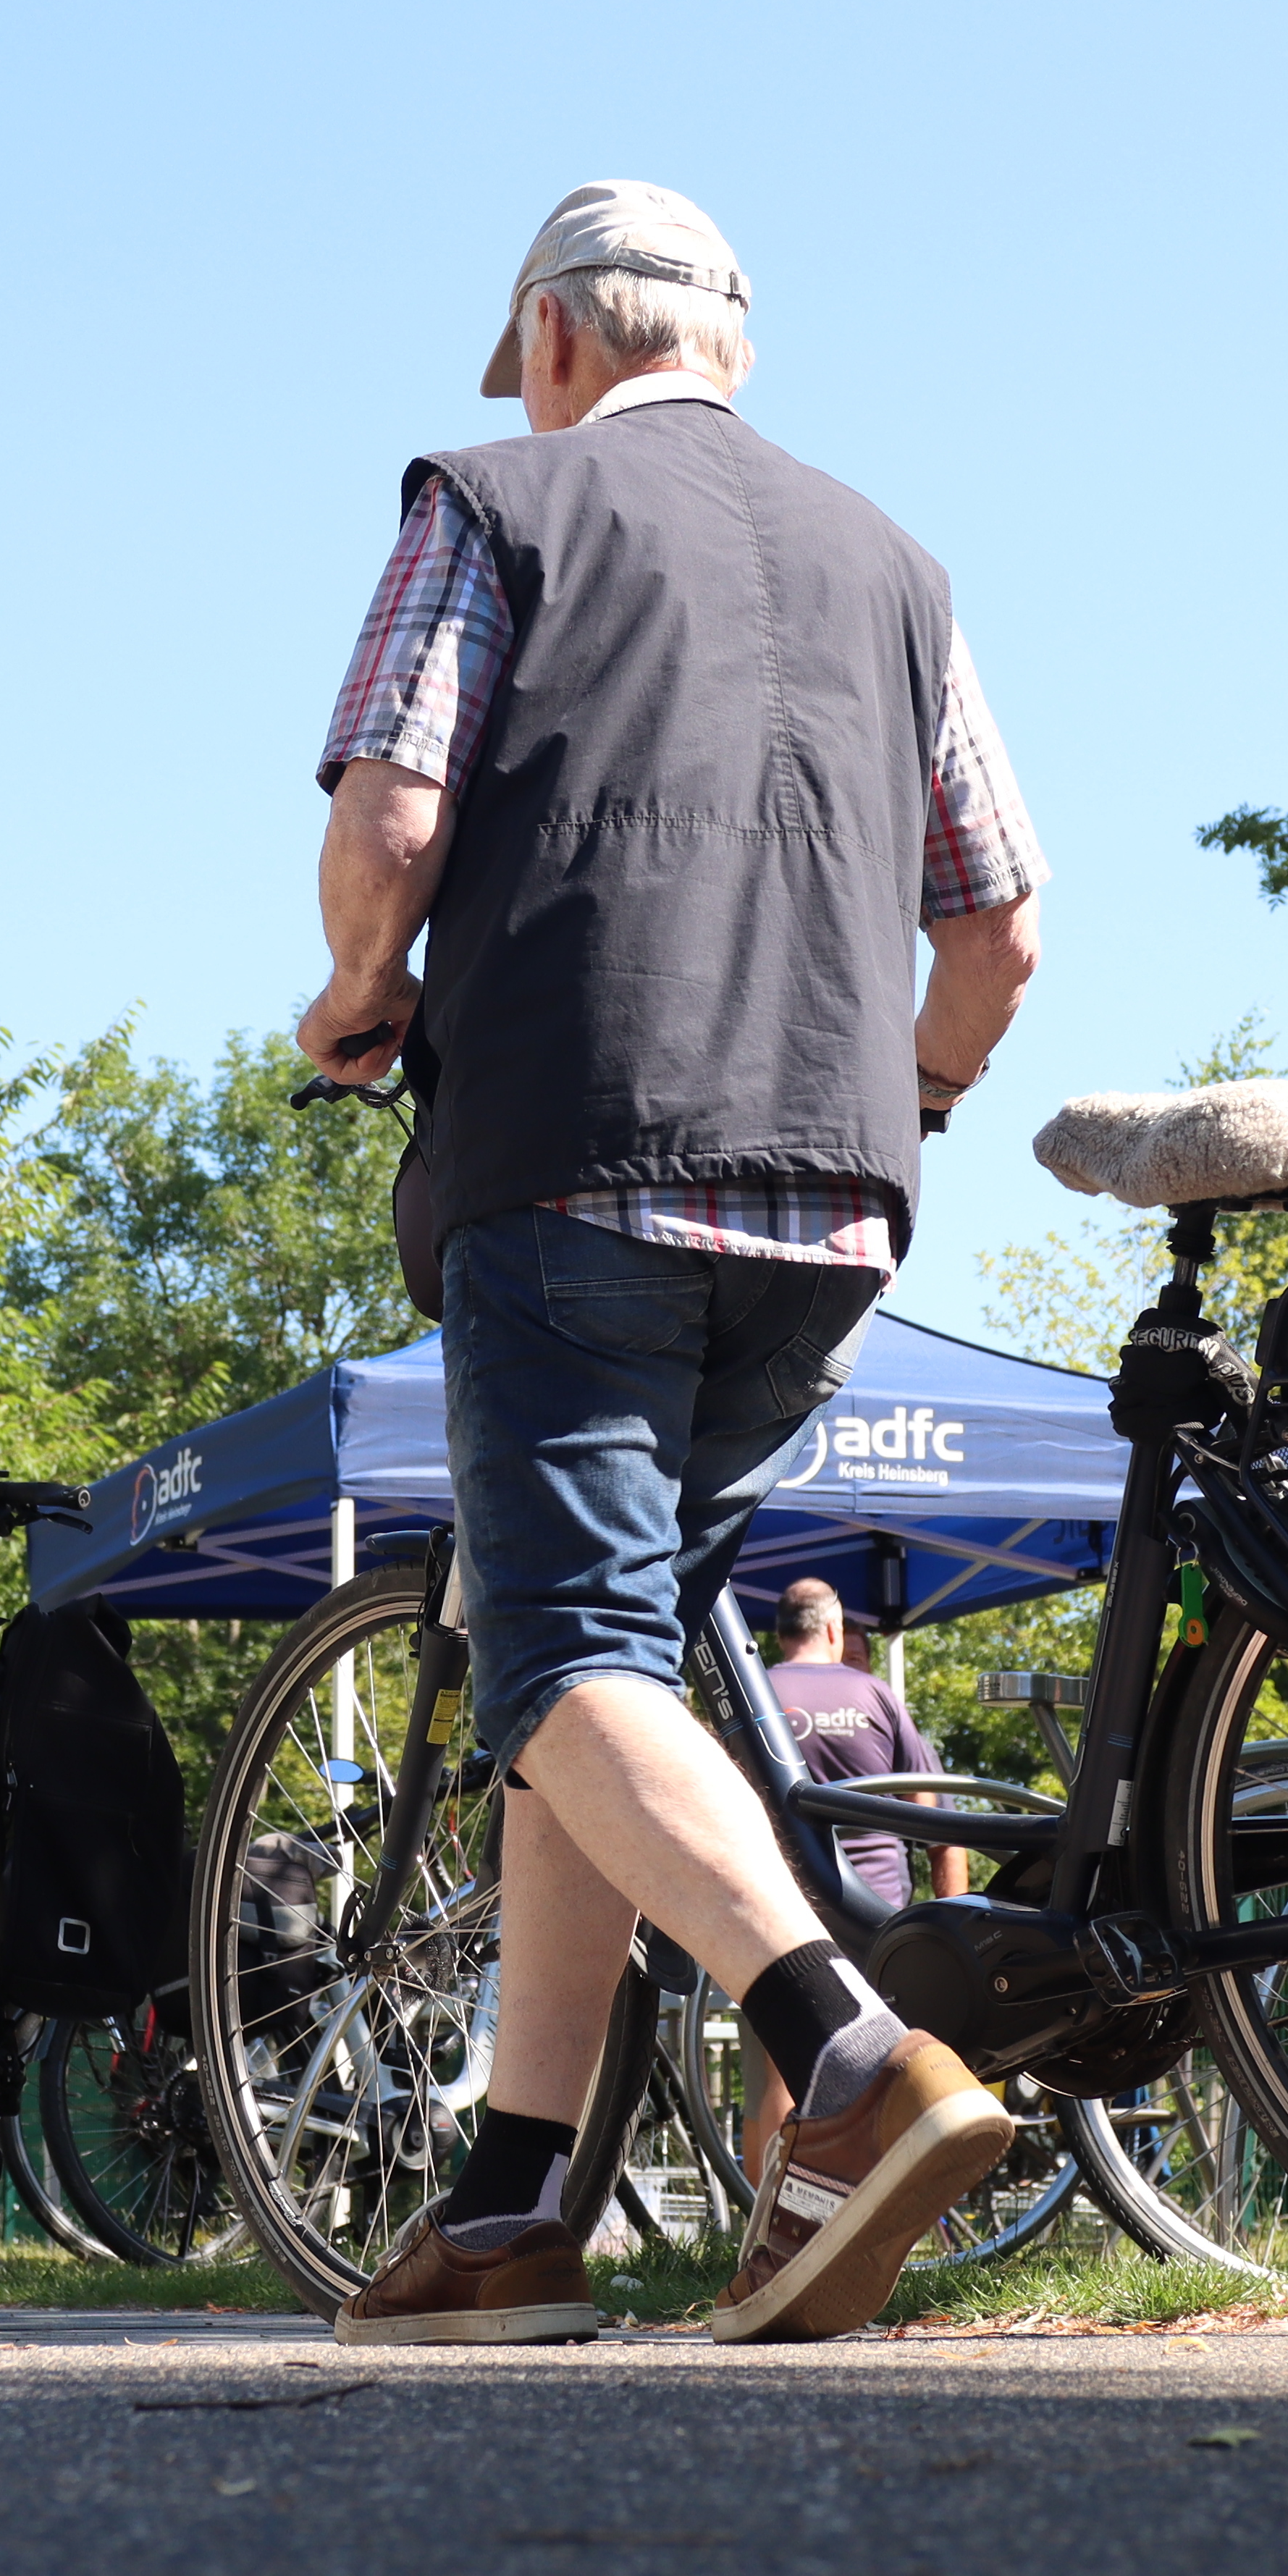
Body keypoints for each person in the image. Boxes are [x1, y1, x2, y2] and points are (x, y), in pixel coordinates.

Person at [294, 183, 1045, 2347]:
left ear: (551, 336)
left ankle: (847, 2056)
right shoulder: (894, 563)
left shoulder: (498, 500)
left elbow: (399, 811)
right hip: (831, 1204)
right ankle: (516, 2201)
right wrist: (892, 1097)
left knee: (560, 1657)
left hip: (579, 1155)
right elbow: (998, 929)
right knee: (589, 1667)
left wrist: (356, 985)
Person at [762, 1579, 950, 1914]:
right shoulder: (876, 1694)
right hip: (875, 1907)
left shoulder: (756, 1697)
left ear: (780, 1636)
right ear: (834, 1629)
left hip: (782, 1903)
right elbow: (929, 1810)